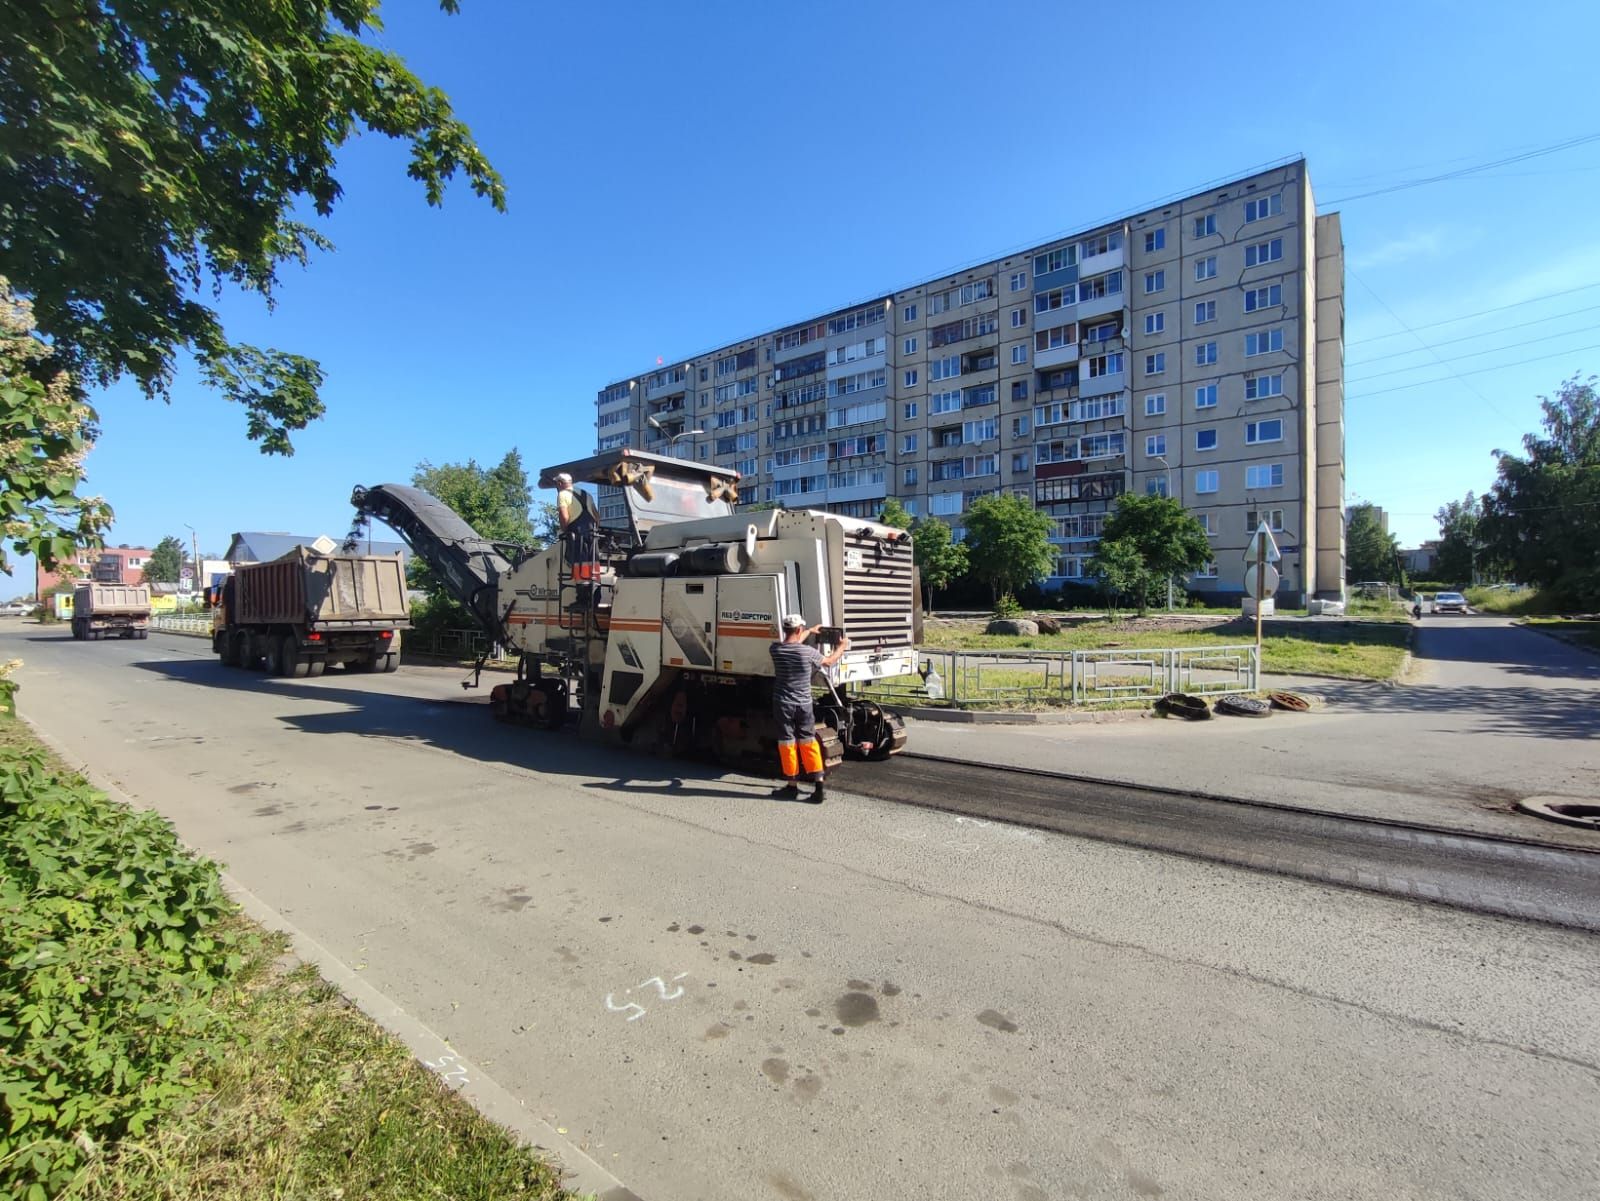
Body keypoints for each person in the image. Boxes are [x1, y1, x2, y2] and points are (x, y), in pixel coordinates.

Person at [769, 614, 851, 804]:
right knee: (808, 742)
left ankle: (792, 786)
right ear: (799, 629)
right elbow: (829, 661)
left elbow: (793, 641)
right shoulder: (807, 653)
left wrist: (809, 631)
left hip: (782, 704)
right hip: (804, 704)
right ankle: (818, 787)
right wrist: (842, 646)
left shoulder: (775, 649)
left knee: (787, 743)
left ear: (785, 629)